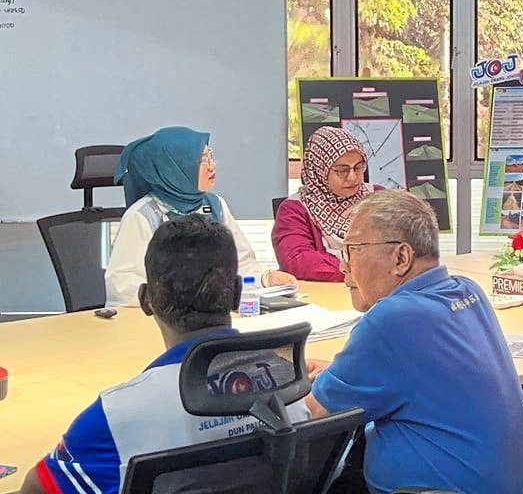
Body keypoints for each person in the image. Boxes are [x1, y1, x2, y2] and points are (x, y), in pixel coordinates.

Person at [20, 215, 309, 494]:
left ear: (145, 300)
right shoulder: (289, 386)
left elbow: (36, 489)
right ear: (236, 293)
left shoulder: (115, 416)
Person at [304, 190, 523, 494]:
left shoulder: (392, 319)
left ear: (401, 257)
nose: (342, 266)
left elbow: (314, 412)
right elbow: (421, 371)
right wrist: (341, 370)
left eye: (351, 250)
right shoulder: (468, 290)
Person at [105, 126, 295, 307]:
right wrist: (176, 297)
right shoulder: (143, 215)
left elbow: (240, 263)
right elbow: (122, 284)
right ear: (176, 167)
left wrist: (265, 277)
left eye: (210, 156)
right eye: (203, 160)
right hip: (159, 322)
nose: (213, 166)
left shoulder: (215, 205)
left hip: (210, 317)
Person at [273, 127, 379, 281]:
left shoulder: (378, 199)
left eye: (358, 167)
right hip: (322, 295)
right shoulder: (294, 210)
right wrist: (361, 271)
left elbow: (404, 246)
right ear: (319, 169)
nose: (353, 177)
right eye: (342, 170)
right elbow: (298, 261)